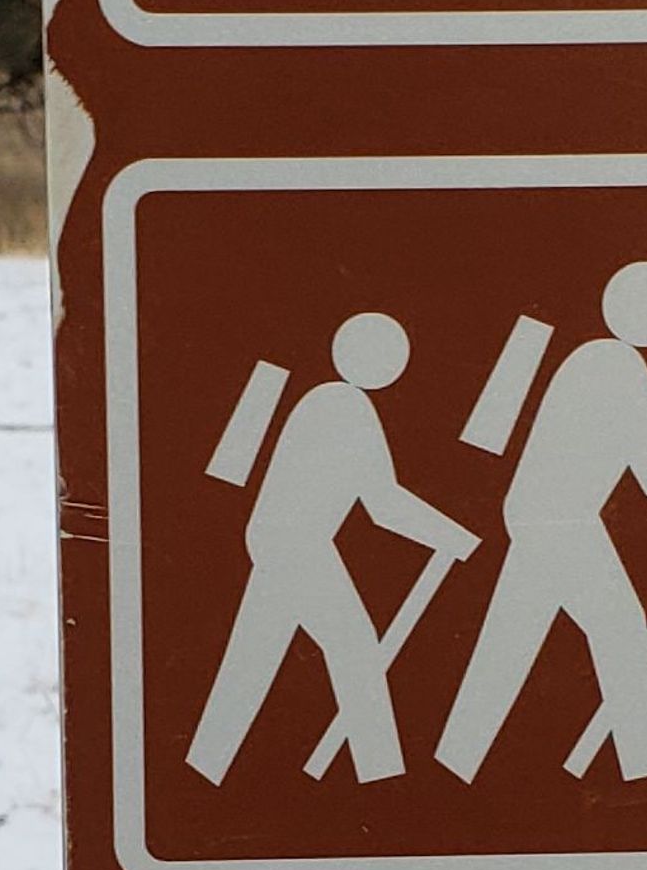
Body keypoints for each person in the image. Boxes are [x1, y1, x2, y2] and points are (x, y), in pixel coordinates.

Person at [432, 261, 647, 788]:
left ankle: (455, 763)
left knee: (510, 643)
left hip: (541, 517)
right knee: (621, 631)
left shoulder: (593, 359)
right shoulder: (614, 365)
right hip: (563, 523)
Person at [186, 311, 475, 788]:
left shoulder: (327, 401)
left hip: (281, 540)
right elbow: (382, 503)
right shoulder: (344, 406)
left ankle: (203, 770)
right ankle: (381, 776)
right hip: (298, 546)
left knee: (252, 660)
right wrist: (451, 536)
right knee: (355, 649)